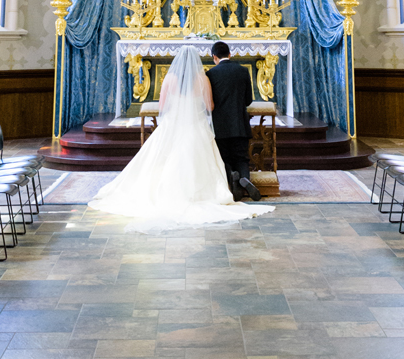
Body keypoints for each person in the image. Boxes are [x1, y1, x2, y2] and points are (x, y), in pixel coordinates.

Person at [87, 49, 272, 224]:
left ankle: (169, 192)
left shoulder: (169, 78)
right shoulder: (202, 79)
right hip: (196, 126)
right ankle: (226, 184)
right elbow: (210, 107)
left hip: (173, 126)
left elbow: (162, 106)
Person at [206, 42, 262, 201]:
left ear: (214, 57)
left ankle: (233, 179)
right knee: (242, 157)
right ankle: (245, 178)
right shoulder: (243, 71)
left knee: (224, 157)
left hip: (220, 125)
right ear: (230, 54)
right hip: (240, 123)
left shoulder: (211, 74)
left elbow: (210, 102)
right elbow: (248, 100)